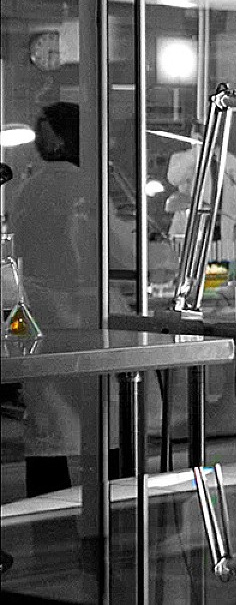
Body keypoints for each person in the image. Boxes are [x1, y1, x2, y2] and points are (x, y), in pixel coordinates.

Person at [12, 102, 134, 496]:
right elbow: (121, 250)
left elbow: (17, 248)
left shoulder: (32, 186)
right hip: (86, 311)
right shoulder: (85, 183)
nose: (39, 138)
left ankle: (45, 510)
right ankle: (117, 503)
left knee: (48, 421)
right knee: (103, 414)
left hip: (43, 313)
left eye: (43, 129)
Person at [165, 118, 236, 245]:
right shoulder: (183, 158)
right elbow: (174, 179)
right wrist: (197, 150)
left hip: (222, 226)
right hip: (193, 227)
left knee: (219, 263)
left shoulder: (230, 160)